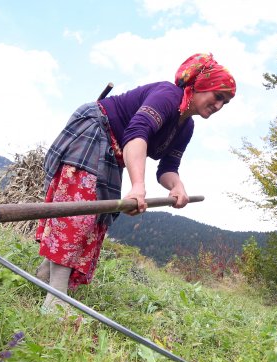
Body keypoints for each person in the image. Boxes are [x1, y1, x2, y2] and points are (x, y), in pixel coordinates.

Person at [35, 53, 236, 312]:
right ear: (198, 85)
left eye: (226, 102)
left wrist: (177, 186)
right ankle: (55, 300)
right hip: (95, 128)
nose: (219, 106)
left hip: (115, 150)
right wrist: (137, 185)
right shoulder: (168, 95)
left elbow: (167, 168)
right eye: (217, 96)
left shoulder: (186, 127)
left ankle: (45, 275)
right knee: (79, 211)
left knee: (97, 217)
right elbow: (137, 133)